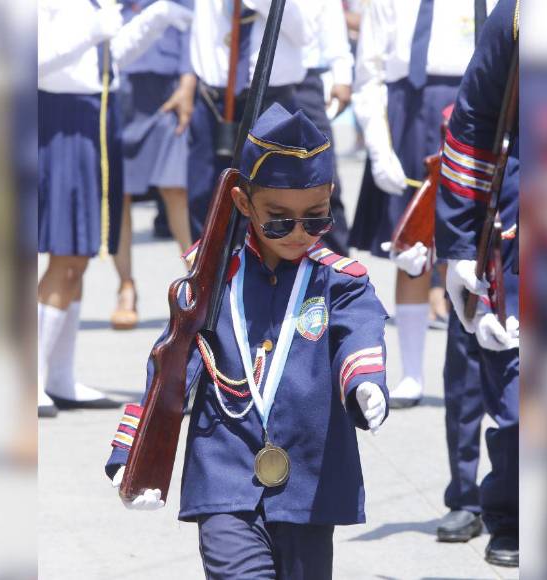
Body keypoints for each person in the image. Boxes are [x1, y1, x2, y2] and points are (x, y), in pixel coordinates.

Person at [105, 104, 389, 579]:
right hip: (225, 472)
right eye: (278, 220)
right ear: (242, 204)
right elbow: (170, 366)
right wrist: (133, 456)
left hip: (309, 482)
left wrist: (365, 384)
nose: (299, 234)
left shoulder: (340, 280)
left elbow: (358, 332)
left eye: (316, 219)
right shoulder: (212, 281)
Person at [37, 0, 192, 416]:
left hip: (96, 115)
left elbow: (111, 58)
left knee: (80, 256)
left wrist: (155, 20)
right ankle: (33, 376)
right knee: (65, 252)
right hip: (61, 117)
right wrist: (90, 31)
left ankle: (59, 376)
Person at [350, 0, 493, 407]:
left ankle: (476, 373)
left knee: (474, 244)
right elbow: (369, 72)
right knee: (412, 245)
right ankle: (411, 372)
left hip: (474, 99)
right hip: (408, 109)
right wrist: (379, 147)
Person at [435, 0, 520, 567]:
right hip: (535, 235)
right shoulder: (519, 15)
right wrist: (461, 247)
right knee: (520, 395)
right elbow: (472, 124)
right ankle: (513, 512)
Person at [186, 0, 310, 242]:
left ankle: (264, 276)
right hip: (214, 100)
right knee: (205, 200)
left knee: (273, 200)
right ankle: (213, 275)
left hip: (271, 99)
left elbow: (305, 33)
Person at [111, 0, 195, 330]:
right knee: (119, 195)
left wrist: (188, 85)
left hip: (168, 92)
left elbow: (192, 23)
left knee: (176, 189)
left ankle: (198, 281)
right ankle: (125, 287)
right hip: (117, 89)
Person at [293, 0, 354, 256]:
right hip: (244, 84)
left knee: (322, 180)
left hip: (303, 81)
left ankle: (336, 269)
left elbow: (329, 13)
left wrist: (342, 74)